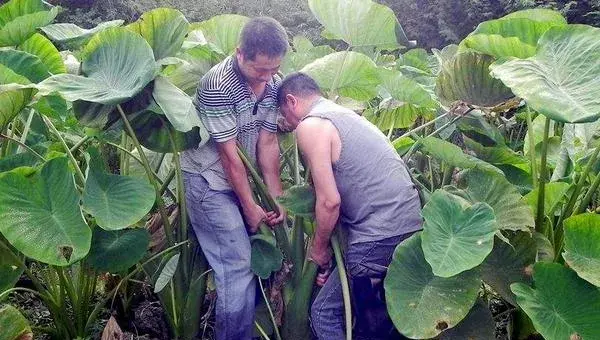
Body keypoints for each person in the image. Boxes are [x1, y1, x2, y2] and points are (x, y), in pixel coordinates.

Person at [277, 72, 423, 339]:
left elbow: (330, 202)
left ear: (291, 101)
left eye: (284, 116)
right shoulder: (343, 116)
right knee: (340, 315)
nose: (287, 124)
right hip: (407, 229)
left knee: (372, 329)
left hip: (378, 240)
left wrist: (319, 250)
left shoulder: (311, 125)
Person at [181, 17, 288, 340]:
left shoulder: (272, 83)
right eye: (260, 70)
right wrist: (249, 206)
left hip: (239, 179)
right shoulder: (218, 85)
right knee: (238, 266)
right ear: (240, 54)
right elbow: (229, 156)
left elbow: (267, 144)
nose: (268, 78)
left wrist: (275, 198)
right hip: (209, 181)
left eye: (274, 70)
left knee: (251, 263)